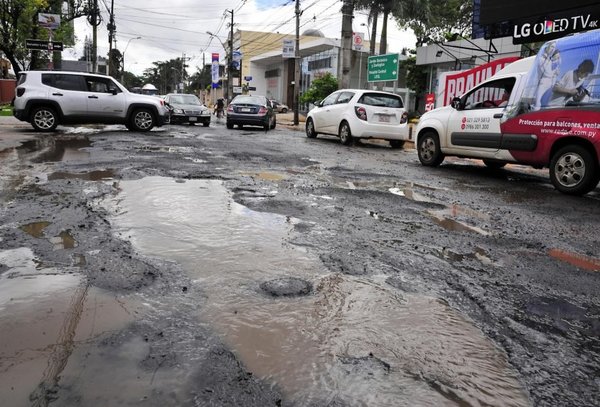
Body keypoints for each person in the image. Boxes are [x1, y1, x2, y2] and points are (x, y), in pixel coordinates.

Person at [533, 41, 561, 110]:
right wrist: (554, 70)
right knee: (538, 103)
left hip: (550, 83)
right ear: (547, 47)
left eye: (554, 47)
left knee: (546, 104)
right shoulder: (542, 59)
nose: (553, 49)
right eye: (552, 47)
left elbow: (557, 73)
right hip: (543, 82)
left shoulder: (551, 60)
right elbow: (547, 73)